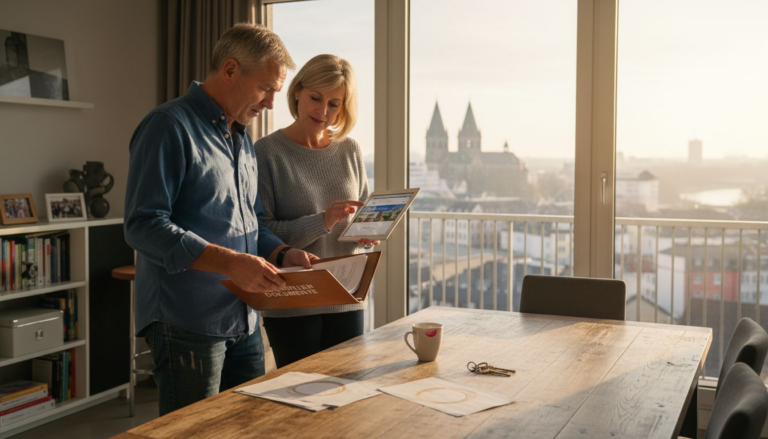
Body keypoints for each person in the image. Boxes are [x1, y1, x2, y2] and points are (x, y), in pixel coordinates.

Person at [124, 24, 317, 416]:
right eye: (266, 88)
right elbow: (142, 225)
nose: (270, 104)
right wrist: (230, 262)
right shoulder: (167, 126)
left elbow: (251, 222)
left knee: (247, 425)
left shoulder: (242, 136)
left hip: (243, 317)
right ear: (230, 70)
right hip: (186, 322)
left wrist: (282, 253)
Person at [255, 54, 377, 368]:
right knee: (296, 395)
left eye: (334, 103)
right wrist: (322, 221)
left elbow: (359, 217)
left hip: (347, 296)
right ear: (297, 91)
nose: (323, 111)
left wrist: (368, 235)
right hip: (294, 298)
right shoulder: (267, 152)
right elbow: (261, 231)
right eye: (315, 98)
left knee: (347, 392)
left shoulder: (350, 150)